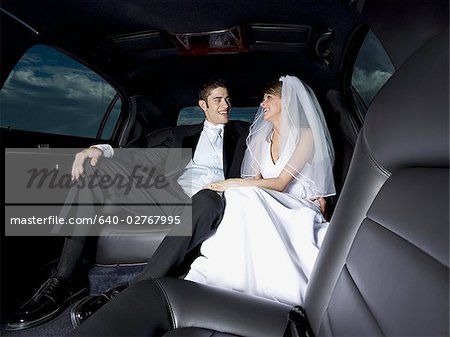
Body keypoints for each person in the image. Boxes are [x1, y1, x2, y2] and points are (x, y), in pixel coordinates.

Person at [6, 79, 250, 331]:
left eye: (228, 99)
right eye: (218, 100)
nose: (226, 105)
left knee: (207, 198)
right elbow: (136, 148)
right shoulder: (179, 134)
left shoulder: (243, 133)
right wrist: (98, 149)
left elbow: (275, 140)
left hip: (208, 201)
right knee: (91, 170)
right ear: (203, 105)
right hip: (168, 196)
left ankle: (137, 289)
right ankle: (64, 277)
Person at [184, 75, 335, 305]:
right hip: (270, 200)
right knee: (238, 196)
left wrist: (229, 183)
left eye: (268, 98)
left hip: (297, 203)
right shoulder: (259, 138)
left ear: (287, 101)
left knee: (237, 192)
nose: (262, 104)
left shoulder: (306, 136)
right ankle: (235, 274)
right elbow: (253, 180)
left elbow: (281, 183)